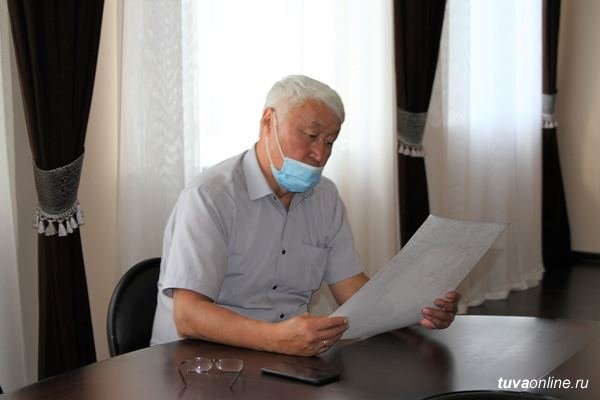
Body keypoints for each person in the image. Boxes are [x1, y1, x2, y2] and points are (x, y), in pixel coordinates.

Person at [150, 75, 460, 356]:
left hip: (286, 357)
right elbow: (189, 315)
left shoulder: (325, 197)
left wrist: (416, 309)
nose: (320, 155)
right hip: (199, 361)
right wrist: (274, 338)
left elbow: (351, 288)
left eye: (330, 142)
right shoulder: (210, 196)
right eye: (311, 136)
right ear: (268, 122)